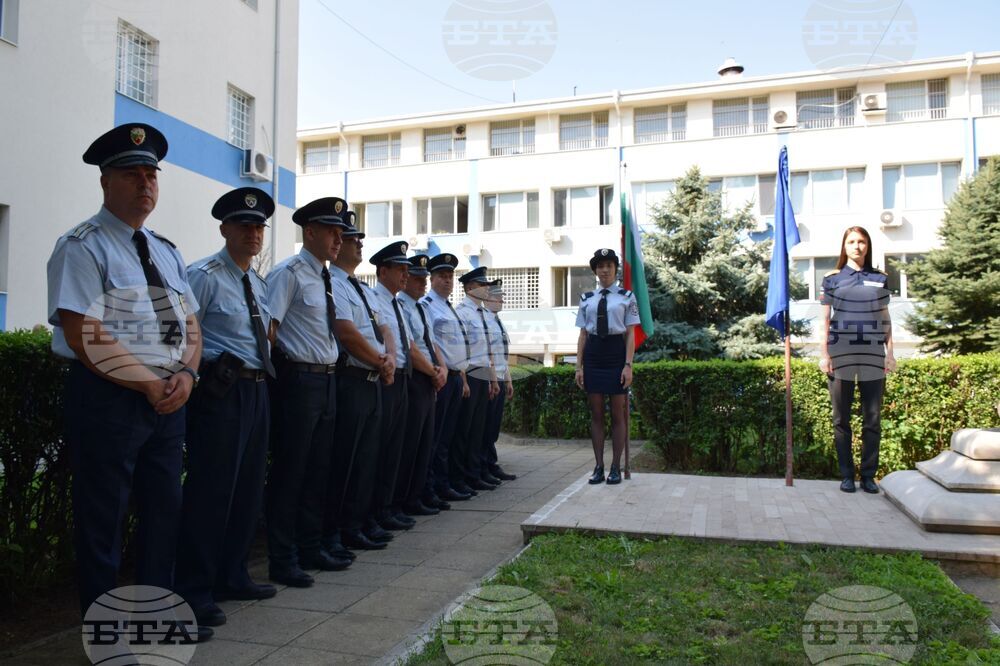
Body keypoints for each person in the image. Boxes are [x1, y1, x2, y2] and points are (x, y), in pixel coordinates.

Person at [46, 123, 210, 640]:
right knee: (104, 523)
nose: (145, 184)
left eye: (151, 174)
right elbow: (82, 334)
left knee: (165, 517)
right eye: (132, 174)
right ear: (105, 182)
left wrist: (186, 371)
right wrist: (146, 383)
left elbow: (191, 324)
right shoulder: (82, 246)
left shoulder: (165, 250)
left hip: (167, 400)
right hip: (110, 400)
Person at [174, 187, 277, 628]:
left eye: (259, 227)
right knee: (211, 491)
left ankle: (232, 574)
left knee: (248, 490)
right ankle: (195, 590)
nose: (254, 234)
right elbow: (180, 329)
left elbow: (266, 332)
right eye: (245, 225)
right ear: (225, 229)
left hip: (256, 389)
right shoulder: (204, 275)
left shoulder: (258, 280)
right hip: (220, 390)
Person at [265, 196, 352, 589]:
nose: (339, 239)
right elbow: (269, 331)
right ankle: (282, 559)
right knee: (291, 471)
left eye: (340, 232)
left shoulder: (324, 276)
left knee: (319, 470)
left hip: (328, 380)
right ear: (310, 232)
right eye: (332, 231)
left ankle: (311, 547)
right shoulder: (289, 273)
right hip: (299, 381)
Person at [326, 221, 395, 552]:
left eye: (358, 239)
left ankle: (357, 524)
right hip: (352, 379)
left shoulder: (363, 289)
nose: (358, 244)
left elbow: (384, 329)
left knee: (367, 458)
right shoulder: (333, 284)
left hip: (373, 381)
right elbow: (347, 333)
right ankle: (339, 529)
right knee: (346, 460)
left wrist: (390, 358)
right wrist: (382, 362)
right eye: (352, 239)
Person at [819, 226, 895, 494]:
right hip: (841, 354)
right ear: (844, 246)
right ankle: (846, 476)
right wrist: (824, 354)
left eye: (861, 241)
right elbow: (825, 320)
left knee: (872, 418)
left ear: (867, 245)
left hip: (873, 355)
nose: (857, 246)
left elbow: (885, 318)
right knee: (841, 419)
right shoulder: (833, 279)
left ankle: (869, 476)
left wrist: (891, 353)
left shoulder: (880, 278)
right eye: (851, 241)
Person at [574, 249, 639, 485]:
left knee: (618, 413)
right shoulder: (586, 298)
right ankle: (599, 466)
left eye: (609, 265)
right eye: (600, 266)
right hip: (593, 355)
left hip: (615, 354)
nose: (605, 270)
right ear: (595, 270)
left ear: (615, 269)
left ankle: (615, 467)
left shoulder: (626, 296)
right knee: (597, 413)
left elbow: (630, 334)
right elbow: (582, 334)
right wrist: (579, 366)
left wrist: (628, 365)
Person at [368, 241, 421, 532]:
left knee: (396, 448)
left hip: (403, 378)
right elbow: (381, 336)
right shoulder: (374, 299)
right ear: (382, 271)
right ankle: (376, 511)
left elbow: (406, 341)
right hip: (386, 377)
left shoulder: (396, 303)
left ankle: (389, 507)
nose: (405, 275)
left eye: (406, 270)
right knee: (382, 449)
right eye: (400, 269)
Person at [396, 255, 449, 515]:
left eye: (424, 278)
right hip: (416, 378)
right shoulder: (402, 306)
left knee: (426, 443)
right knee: (412, 444)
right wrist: (433, 372)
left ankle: (419, 495)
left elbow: (432, 343)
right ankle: (406, 499)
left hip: (430, 377)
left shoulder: (421, 308)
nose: (421, 283)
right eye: (416, 278)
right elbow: (411, 347)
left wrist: (443, 368)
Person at [420, 254, 474, 504]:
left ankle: (445, 483)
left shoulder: (448, 306)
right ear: (431, 278)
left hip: (454, 377)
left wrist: (462, 378)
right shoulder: (427, 305)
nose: (447, 280)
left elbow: (457, 348)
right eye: (442, 275)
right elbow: (430, 343)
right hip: (439, 377)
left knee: (448, 436)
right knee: (436, 438)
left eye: (450, 275)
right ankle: (432, 488)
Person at [454, 267, 501, 492]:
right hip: (469, 373)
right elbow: (460, 349)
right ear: (470, 288)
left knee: (479, 429)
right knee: (465, 429)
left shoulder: (482, 314)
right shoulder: (461, 313)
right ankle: (461, 477)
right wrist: (463, 380)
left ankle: (476, 473)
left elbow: (488, 350)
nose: (487, 290)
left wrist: (493, 380)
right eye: (483, 286)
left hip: (483, 373)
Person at [481, 280, 517, 483]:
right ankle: (483, 466)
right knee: (485, 427)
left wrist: (508, 379)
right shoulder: (483, 320)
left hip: (501, 379)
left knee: (493, 426)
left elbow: (502, 353)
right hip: (489, 379)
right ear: (486, 298)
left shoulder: (497, 320)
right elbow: (487, 354)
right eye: (497, 295)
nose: (502, 299)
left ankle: (490, 464)